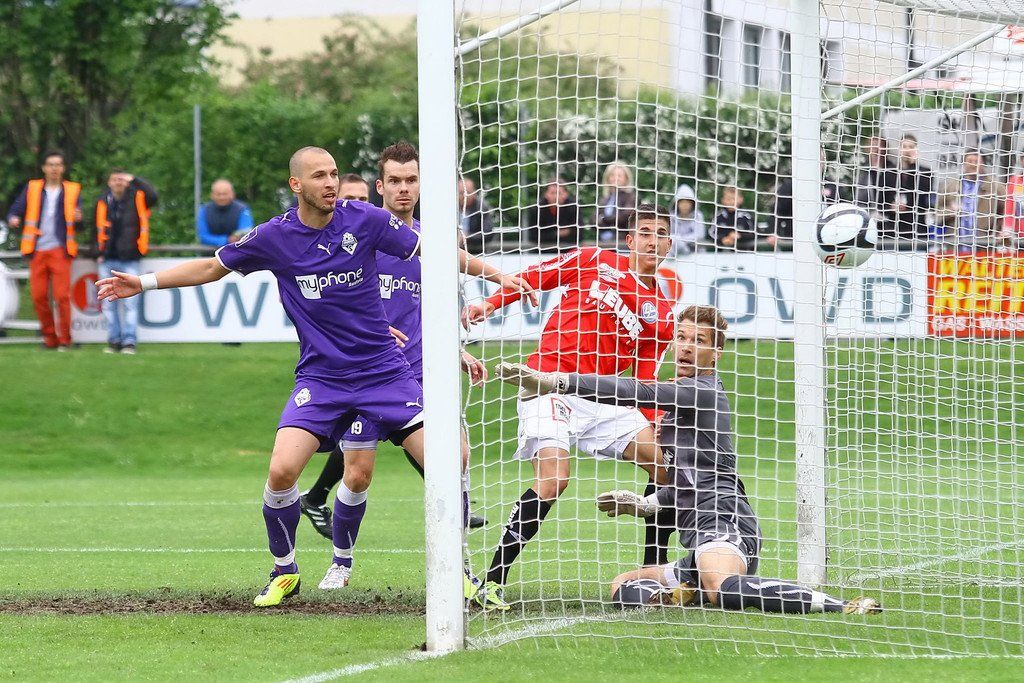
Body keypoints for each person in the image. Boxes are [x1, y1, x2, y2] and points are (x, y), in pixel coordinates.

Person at [96, 146, 533, 608]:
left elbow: (437, 252)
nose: (330, 183)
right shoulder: (274, 236)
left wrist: (497, 275)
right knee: (282, 471)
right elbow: (210, 267)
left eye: (334, 174)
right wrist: (143, 283)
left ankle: (456, 571)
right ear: (296, 184)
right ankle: (284, 571)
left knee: (450, 461)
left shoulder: (364, 219)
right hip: (322, 379)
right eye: (319, 175)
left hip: (385, 373)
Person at [494, 305, 882, 617]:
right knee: (624, 583)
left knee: (721, 589)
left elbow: (633, 389)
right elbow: (686, 483)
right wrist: (644, 504)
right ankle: (678, 595)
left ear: (716, 353)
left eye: (699, 341)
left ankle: (840, 605)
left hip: (726, 524)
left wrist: (557, 382)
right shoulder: (679, 405)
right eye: (681, 337)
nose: (686, 347)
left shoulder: (702, 391)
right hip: (698, 542)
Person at [462, 203, 677, 611]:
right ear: (630, 240)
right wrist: (489, 305)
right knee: (554, 481)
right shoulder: (594, 259)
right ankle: (492, 582)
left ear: (669, 244)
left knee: (667, 468)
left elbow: (646, 379)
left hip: (604, 396)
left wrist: (655, 422)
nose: (653, 241)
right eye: (645, 232)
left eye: (661, 234)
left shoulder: (662, 314)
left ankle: (652, 572)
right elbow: (535, 276)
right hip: (550, 384)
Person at [300, 143, 488, 541]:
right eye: (395, 181)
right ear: (380, 186)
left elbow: (427, 310)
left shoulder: (430, 242)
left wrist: (455, 349)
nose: (404, 189)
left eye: (411, 180)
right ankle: (338, 552)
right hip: (365, 368)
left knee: (455, 455)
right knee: (357, 473)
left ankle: (456, 544)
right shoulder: (359, 237)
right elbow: (326, 295)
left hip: (416, 369)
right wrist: (364, 330)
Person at [6, 150, 82, 350]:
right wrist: (13, 218)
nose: (54, 168)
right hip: (37, 250)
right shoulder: (32, 188)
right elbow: (15, 210)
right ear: (44, 168)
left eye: (58, 165)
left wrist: (79, 218)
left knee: (62, 297)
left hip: (60, 250)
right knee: (38, 297)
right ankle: (49, 338)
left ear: (63, 168)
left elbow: (80, 223)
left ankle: (65, 339)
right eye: (51, 164)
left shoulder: (73, 190)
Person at [94, 170, 159, 354]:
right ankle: (114, 340)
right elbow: (95, 229)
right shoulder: (102, 201)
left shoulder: (138, 198)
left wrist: (135, 179)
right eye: (115, 179)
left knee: (131, 302)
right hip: (107, 258)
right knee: (108, 302)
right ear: (109, 182)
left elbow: (154, 196)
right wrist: (97, 252)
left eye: (122, 179)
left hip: (130, 257)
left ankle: (129, 341)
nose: (118, 182)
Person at [935, 151, 1003, 246]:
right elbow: (936, 213)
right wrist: (950, 211)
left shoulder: (995, 187)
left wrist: (999, 231)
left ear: (983, 164)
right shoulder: (950, 186)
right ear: (963, 163)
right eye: (970, 161)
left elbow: (1006, 213)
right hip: (954, 244)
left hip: (985, 244)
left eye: (976, 161)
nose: (973, 164)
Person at [890, 134, 934, 243]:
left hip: (917, 228)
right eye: (904, 146)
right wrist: (891, 206)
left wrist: (913, 166)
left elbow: (923, 193)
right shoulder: (890, 172)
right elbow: (882, 199)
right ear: (899, 149)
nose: (907, 150)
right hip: (894, 229)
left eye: (911, 147)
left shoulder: (925, 172)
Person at [854, 136, 898, 238]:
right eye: (872, 147)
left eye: (878, 147)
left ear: (885, 150)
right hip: (868, 224)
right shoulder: (863, 172)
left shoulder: (894, 171)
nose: (875, 150)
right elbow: (859, 199)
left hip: (890, 225)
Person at [196, 179, 255, 247]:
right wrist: (227, 240)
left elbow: (246, 231)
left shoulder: (242, 209)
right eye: (218, 194)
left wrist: (236, 237)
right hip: (209, 252)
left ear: (232, 194)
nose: (222, 197)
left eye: (225, 194)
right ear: (212, 195)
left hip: (237, 251)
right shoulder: (204, 210)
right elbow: (203, 236)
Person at [528, 178, 580, 249]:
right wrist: (557, 234)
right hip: (542, 250)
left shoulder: (573, 207)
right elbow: (534, 236)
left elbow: (579, 234)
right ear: (546, 194)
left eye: (559, 193)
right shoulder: (537, 209)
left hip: (568, 250)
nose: (556, 197)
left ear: (566, 194)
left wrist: (549, 235)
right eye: (552, 193)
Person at [596, 162, 637, 247]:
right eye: (612, 175)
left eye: (619, 176)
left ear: (626, 179)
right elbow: (593, 220)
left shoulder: (631, 197)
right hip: (602, 242)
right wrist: (610, 221)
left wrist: (603, 219)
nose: (615, 178)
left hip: (622, 243)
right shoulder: (604, 198)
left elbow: (625, 217)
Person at [709, 186, 757, 250]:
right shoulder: (718, 216)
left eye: (734, 199)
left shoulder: (746, 216)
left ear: (741, 199)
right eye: (728, 199)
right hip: (722, 254)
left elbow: (755, 233)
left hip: (744, 253)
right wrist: (722, 239)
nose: (731, 202)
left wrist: (740, 236)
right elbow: (711, 234)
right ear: (723, 200)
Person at [668, 183, 705, 256]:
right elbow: (668, 234)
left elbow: (699, 235)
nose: (684, 205)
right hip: (674, 250)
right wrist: (676, 240)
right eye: (682, 202)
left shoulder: (698, 216)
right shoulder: (671, 217)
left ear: (692, 204)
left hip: (695, 252)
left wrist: (680, 239)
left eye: (687, 202)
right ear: (677, 203)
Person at [457, 176, 493, 247]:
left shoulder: (481, 208)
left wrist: (467, 237)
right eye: (461, 193)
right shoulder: (451, 208)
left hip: (475, 249)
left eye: (467, 192)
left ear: (474, 193)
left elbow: (487, 233)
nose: (464, 196)